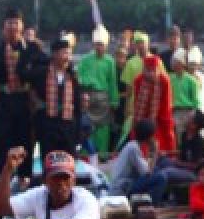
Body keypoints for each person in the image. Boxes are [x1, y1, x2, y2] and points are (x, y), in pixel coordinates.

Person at [0, 7, 42, 188]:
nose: (12, 26)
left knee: (25, 137)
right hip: (4, 96)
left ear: (21, 26)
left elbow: (42, 68)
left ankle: (24, 174)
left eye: (16, 23)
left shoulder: (32, 47)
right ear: (4, 26)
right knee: (0, 137)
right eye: (9, 23)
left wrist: (27, 73)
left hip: (24, 97)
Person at [27, 35, 84, 165]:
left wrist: (78, 131)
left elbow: (78, 106)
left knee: (68, 161)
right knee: (48, 160)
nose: (67, 56)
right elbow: (26, 77)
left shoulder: (72, 76)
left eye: (69, 53)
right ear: (54, 54)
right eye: (64, 52)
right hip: (48, 123)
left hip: (67, 124)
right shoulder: (42, 73)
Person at [76, 25, 119, 159]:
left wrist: (114, 101)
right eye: (97, 44)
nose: (100, 47)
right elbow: (78, 77)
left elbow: (112, 82)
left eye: (102, 45)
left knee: (102, 130)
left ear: (105, 45)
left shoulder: (110, 61)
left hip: (102, 96)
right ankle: (86, 157)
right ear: (94, 44)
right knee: (86, 129)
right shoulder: (85, 59)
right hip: (87, 96)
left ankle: (102, 156)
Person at [110, 118, 168, 203]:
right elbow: (147, 172)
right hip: (122, 187)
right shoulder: (133, 148)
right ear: (149, 136)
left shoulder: (133, 145)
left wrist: (152, 153)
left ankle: (149, 201)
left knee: (158, 170)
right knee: (161, 177)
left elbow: (147, 168)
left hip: (127, 182)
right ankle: (152, 205)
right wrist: (154, 151)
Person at [155, 109, 204, 192]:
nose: (185, 118)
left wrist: (177, 163)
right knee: (160, 161)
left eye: (188, 117)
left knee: (164, 173)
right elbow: (183, 151)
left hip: (192, 173)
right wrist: (166, 153)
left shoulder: (199, 142)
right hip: (180, 166)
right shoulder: (185, 134)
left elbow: (196, 165)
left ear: (193, 125)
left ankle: (158, 198)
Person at [131, 53, 175, 154]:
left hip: (160, 115)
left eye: (153, 69)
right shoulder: (138, 80)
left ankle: (168, 156)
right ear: (144, 69)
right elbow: (137, 103)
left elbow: (166, 103)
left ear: (158, 69)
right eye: (148, 69)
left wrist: (158, 120)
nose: (151, 73)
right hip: (142, 116)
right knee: (139, 133)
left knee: (165, 136)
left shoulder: (164, 80)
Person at [169, 49, 201, 137]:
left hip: (187, 112)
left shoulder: (192, 80)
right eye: (173, 62)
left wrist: (193, 117)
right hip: (173, 111)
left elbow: (196, 101)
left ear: (182, 64)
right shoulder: (170, 78)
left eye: (175, 62)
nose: (173, 64)